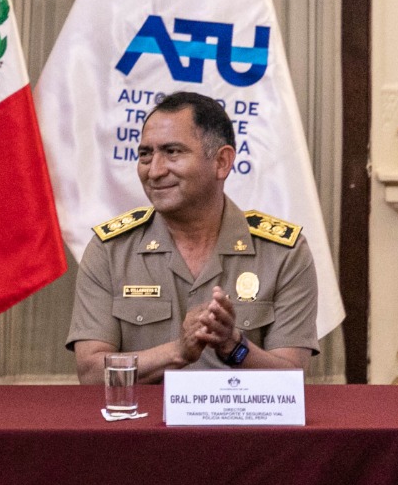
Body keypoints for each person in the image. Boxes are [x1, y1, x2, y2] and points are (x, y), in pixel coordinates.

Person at [67, 91, 318, 384]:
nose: (155, 171)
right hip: (142, 428)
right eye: (145, 154)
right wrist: (178, 352)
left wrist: (234, 347)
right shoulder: (110, 249)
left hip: (242, 429)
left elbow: (292, 380)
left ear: (222, 162)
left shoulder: (283, 253)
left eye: (173, 152)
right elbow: (91, 374)